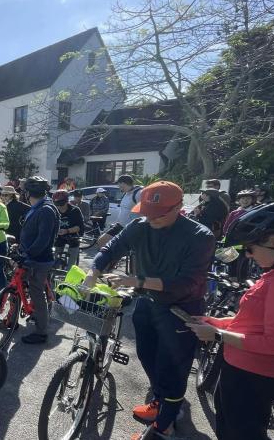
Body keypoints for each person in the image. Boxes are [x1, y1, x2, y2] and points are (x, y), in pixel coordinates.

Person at [85, 181, 215, 440]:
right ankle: (161, 401)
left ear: (179, 207)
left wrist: (138, 281)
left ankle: (163, 427)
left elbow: (186, 283)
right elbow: (111, 249)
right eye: (147, 212)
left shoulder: (200, 236)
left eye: (159, 213)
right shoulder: (140, 226)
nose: (151, 218)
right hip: (148, 303)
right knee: (146, 355)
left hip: (181, 309)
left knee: (173, 367)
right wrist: (93, 272)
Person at [186, 203, 274, 440]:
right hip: (252, 369)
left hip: (253, 373)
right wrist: (217, 322)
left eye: (250, 248)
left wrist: (217, 335)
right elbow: (255, 322)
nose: (248, 255)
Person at [18, 176, 59, 344]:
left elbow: (43, 240)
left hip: (38, 259)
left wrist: (26, 254)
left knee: (37, 293)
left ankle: (41, 332)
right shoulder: (41, 206)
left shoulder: (46, 210)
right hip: (34, 256)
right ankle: (34, 315)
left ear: (28, 193)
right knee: (33, 289)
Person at [97, 175, 143, 247]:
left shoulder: (139, 193)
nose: (118, 186)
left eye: (119, 184)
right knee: (101, 241)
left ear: (123, 183)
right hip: (120, 225)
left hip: (131, 227)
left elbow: (144, 212)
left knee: (123, 249)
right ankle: (115, 257)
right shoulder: (126, 193)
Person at [52, 190, 84, 269]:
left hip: (72, 235)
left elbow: (79, 227)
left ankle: (70, 270)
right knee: (54, 256)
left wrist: (67, 231)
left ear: (67, 202)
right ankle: (54, 271)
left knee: (73, 256)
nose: (59, 207)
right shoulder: (54, 211)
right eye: (57, 205)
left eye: (61, 204)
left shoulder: (75, 210)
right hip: (59, 236)